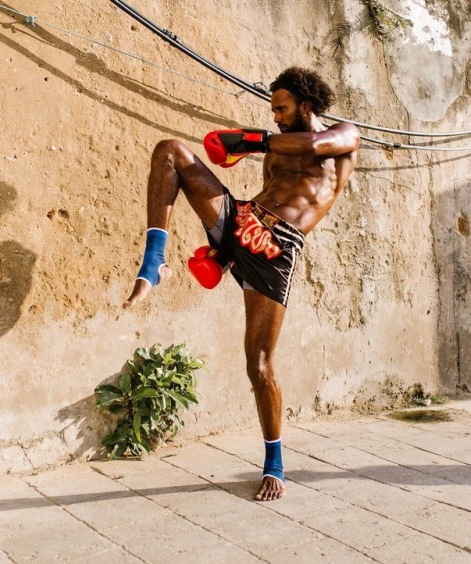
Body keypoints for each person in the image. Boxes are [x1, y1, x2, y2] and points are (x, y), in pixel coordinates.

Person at [123, 66, 360, 501]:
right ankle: (154, 262)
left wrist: (250, 140)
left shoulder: (344, 136)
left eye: (282, 109)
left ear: (306, 105)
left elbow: (315, 143)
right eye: (272, 111)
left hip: (276, 249)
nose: (275, 117)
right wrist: (226, 248)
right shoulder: (274, 151)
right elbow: (271, 181)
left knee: (260, 365)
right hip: (244, 222)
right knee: (170, 151)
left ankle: (274, 464)